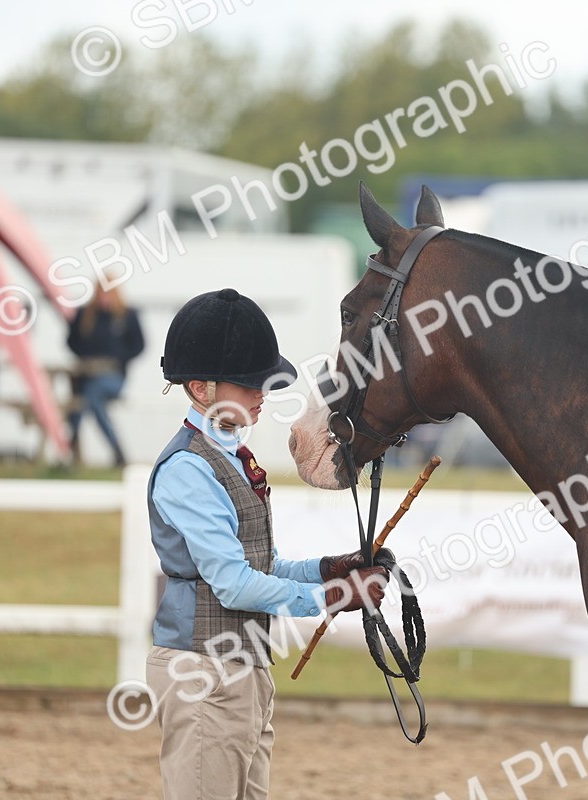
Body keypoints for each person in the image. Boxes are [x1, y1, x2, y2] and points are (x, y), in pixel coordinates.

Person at [146, 288, 390, 800]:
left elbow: (263, 564)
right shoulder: (189, 469)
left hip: (243, 671)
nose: (263, 394)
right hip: (205, 674)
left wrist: (329, 568)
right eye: (249, 384)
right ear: (201, 387)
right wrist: (333, 599)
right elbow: (234, 586)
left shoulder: (230, 456)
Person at [67, 282, 144, 467]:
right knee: (89, 399)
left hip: (113, 377)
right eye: (101, 293)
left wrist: (119, 359)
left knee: (88, 396)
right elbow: (71, 341)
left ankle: (70, 444)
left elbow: (139, 345)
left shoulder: (127, 315)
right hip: (86, 376)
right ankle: (117, 452)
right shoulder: (85, 315)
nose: (104, 298)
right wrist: (88, 358)